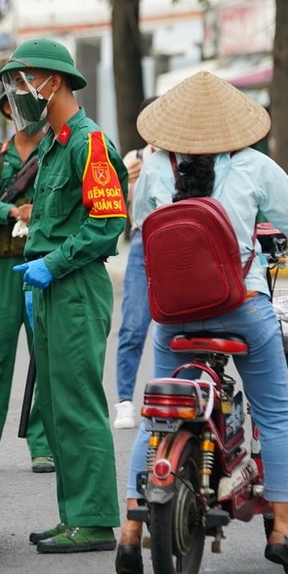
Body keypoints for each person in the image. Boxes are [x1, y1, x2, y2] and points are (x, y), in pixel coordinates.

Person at [115, 71, 288, 574]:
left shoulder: (156, 169)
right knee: (274, 412)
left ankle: (131, 531)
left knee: (160, 411)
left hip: (174, 316)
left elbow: (139, 223)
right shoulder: (253, 166)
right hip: (241, 308)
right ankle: (284, 532)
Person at [0, 38, 129, 554]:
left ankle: (95, 521)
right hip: (51, 288)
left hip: (74, 285)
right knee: (53, 409)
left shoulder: (89, 144)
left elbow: (108, 223)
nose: (17, 92)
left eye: (22, 80)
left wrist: (51, 262)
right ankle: (72, 515)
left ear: (52, 81)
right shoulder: (55, 143)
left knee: (77, 404)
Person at [0, 93, 54, 472]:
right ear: (7, 111)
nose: (22, 116)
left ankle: (43, 445)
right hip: (3, 268)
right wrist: (12, 210)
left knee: (45, 355)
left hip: (44, 265)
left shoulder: (54, 149)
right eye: (15, 108)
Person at [113, 101, 158, 431]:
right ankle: (125, 401)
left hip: (176, 243)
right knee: (133, 325)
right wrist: (123, 178)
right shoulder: (134, 159)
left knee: (176, 328)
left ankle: (170, 395)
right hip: (144, 240)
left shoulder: (182, 158)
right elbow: (112, 202)